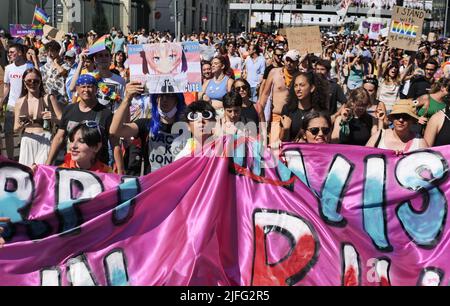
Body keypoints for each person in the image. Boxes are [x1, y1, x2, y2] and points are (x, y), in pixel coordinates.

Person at [45, 74, 123, 173]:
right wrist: (48, 163)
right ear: (77, 89)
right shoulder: (69, 109)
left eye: (90, 86)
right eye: (83, 86)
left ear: (96, 89)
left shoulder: (105, 113)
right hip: (71, 165)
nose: (86, 90)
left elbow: (115, 143)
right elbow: (59, 137)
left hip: (98, 169)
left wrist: (121, 171)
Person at [110, 82, 187, 174]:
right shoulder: (146, 124)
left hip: (178, 183)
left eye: (170, 95)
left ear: (177, 99)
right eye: (160, 95)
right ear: (156, 100)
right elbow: (115, 131)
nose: (164, 99)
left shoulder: (187, 127)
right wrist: (127, 99)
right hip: (152, 184)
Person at [14, 68, 62, 166]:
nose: (32, 84)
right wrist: (22, 125)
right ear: (24, 83)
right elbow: (15, 129)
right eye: (29, 81)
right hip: (27, 140)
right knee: (27, 175)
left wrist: (52, 118)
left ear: (40, 82)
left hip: (45, 139)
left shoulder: (49, 98)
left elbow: (63, 121)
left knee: (42, 174)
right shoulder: (19, 102)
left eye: (36, 81)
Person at [258, 50, 300, 144]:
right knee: (275, 146)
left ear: (297, 63)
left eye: (292, 61)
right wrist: (259, 111)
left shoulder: (299, 76)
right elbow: (265, 94)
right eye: (287, 60)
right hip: (276, 116)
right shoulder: (274, 72)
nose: (289, 63)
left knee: (290, 147)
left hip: (293, 116)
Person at [1, 44, 35, 159]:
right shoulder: (8, 68)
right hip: (11, 105)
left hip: (26, 105)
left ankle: (25, 158)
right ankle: (10, 159)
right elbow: (7, 87)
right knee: (8, 133)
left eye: (12, 52)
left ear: (20, 53)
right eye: (8, 52)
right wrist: (1, 100)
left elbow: (35, 83)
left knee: (26, 132)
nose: (9, 54)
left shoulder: (28, 66)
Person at [280, 71, 329, 142]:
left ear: (312, 88)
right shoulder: (288, 109)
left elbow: (326, 138)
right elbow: (282, 139)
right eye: (295, 86)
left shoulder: (320, 111)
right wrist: (286, 129)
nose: (298, 89)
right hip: (293, 151)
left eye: (302, 85)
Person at [40, 40, 70, 105]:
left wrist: (56, 63)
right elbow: (42, 80)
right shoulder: (46, 66)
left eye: (52, 51)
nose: (49, 53)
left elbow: (63, 72)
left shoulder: (65, 64)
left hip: (61, 98)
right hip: (48, 97)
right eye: (47, 51)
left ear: (58, 51)